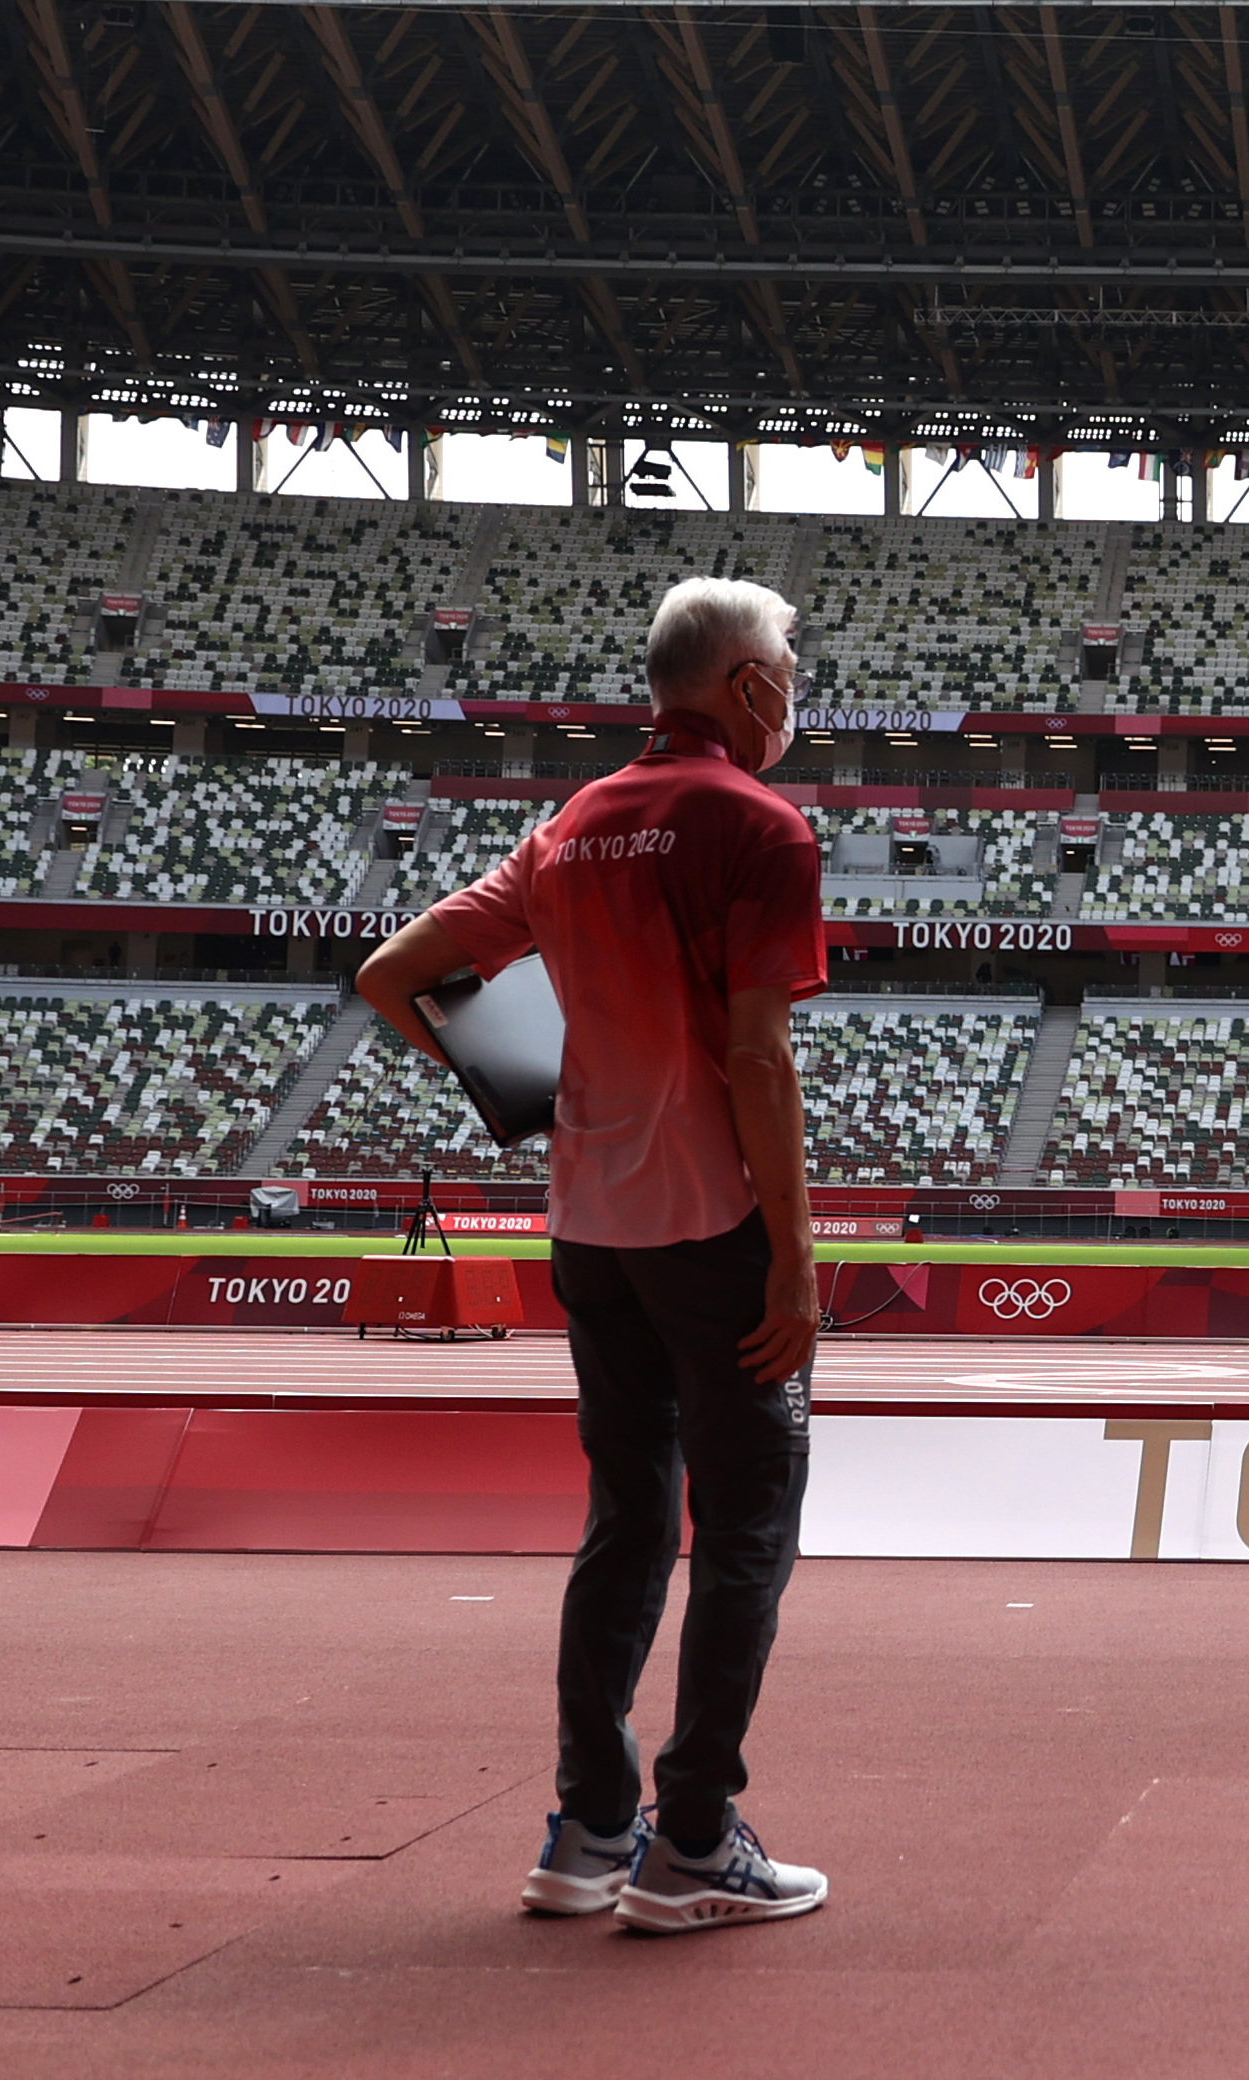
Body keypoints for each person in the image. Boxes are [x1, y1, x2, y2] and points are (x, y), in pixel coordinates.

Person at [355, 577, 831, 1936]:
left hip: (591, 1230)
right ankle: (692, 1842)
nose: (792, 687)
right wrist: (795, 1257)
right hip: (707, 1226)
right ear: (745, 686)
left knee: (628, 1519)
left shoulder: (566, 829)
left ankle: (587, 1831)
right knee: (746, 1529)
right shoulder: (755, 824)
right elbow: (756, 1053)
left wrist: (527, 1091)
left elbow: (395, 972)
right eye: (786, 665)